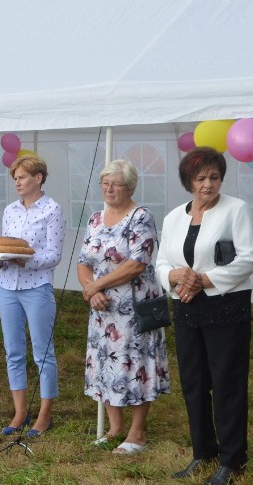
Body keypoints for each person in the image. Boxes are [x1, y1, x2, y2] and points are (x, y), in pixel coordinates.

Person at [157, 147, 253, 485]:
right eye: (201, 178)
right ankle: (203, 452)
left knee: (228, 384)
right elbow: (160, 264)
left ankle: (233, 460)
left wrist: (202, 280)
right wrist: (175, 276)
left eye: (214, 177)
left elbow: (246, 260)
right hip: (186, 306)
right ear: (189, 181)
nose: (208, 184)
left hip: (225, 305)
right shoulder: (173, 218)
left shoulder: (236, 210)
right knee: (195, 384)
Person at [77, 160, 170, 454]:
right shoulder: (95, 218)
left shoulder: (141, 217)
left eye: (116, 183)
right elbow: (83, 262)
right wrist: (91, 291)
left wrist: (97, 286)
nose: (109, 189)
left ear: (130, 187)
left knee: (136, 363)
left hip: (134, 307)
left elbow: (136, 263)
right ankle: (116, 427)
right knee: (104, 362)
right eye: (105, 183)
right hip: (103, 307)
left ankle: (137, 434)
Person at [0, 155, 66, 438]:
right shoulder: (10, 210)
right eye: (15, 178)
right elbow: (7, 248)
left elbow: (54, 254)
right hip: (7, 286)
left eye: (22, 177)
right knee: (13, 350)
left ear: (38, 178)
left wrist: (25, 261)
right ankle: (19, 411)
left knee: (43, 351)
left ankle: (44, 413)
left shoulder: (52, 209)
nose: (17, 182)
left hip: (37, 286)